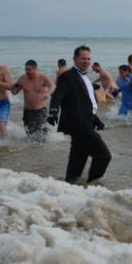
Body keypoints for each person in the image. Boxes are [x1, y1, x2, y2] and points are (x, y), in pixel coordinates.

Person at [48, 45, 111, 184]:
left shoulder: (86, 78)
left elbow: (85, 103)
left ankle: (69, 186)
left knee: (78, 158)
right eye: (83, 58)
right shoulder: (67, 76)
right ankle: (92, 185)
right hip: (79, 124)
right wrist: (53, 111)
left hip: (86, 121)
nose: (86, 61)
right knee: (103, 156)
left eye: (88, 59)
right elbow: (57, 95)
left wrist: (95, 119)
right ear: (75, 59)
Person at [11, 59, 56, 141]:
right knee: (30, 136)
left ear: (35, 69)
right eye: (26, 69)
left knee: (42, 136)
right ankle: (32, 149)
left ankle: (43, 148)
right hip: (27, 111)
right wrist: (10, 87)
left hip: (40, 111)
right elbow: (14, 92)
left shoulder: (43, 77)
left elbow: (52, 86)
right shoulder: (22, 78)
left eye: (29, 69)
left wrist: (47, 93)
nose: (27, 71)